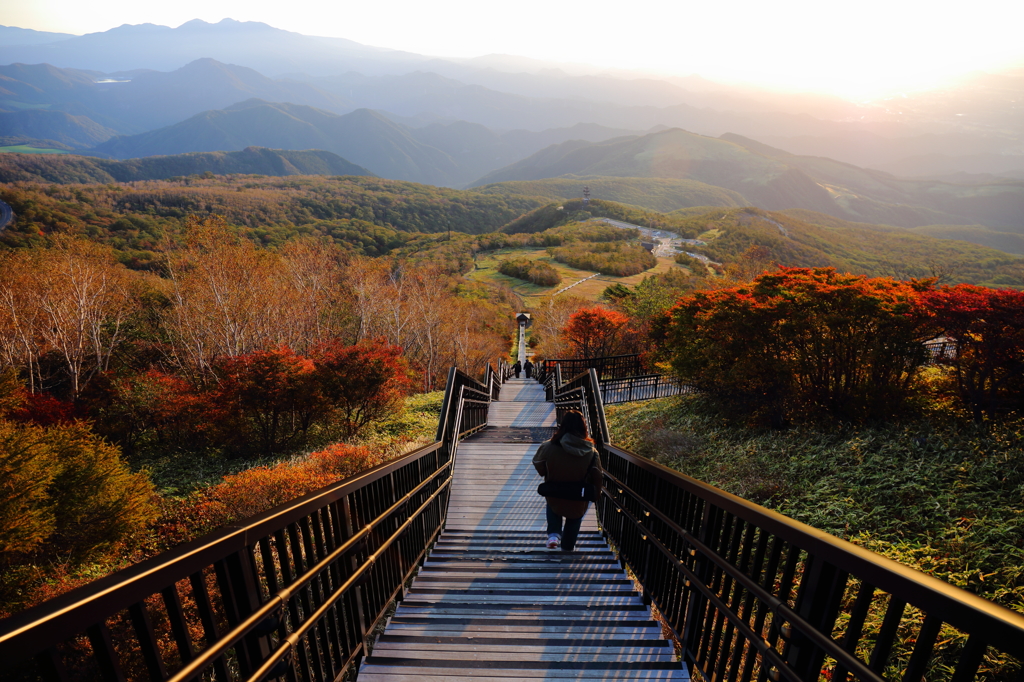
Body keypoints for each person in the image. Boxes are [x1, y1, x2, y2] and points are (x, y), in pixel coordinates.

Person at [532, 410, 602, 551]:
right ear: (583, 428)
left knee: (553, 503)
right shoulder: (591, 452)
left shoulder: (548, 446)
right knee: (575, 516)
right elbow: (597, 475)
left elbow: (538, 464)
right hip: (579, 493)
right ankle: (568, 546)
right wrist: (596, 493)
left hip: (555, 489)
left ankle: (553, 535)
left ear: (562, 426)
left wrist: (547, 471)